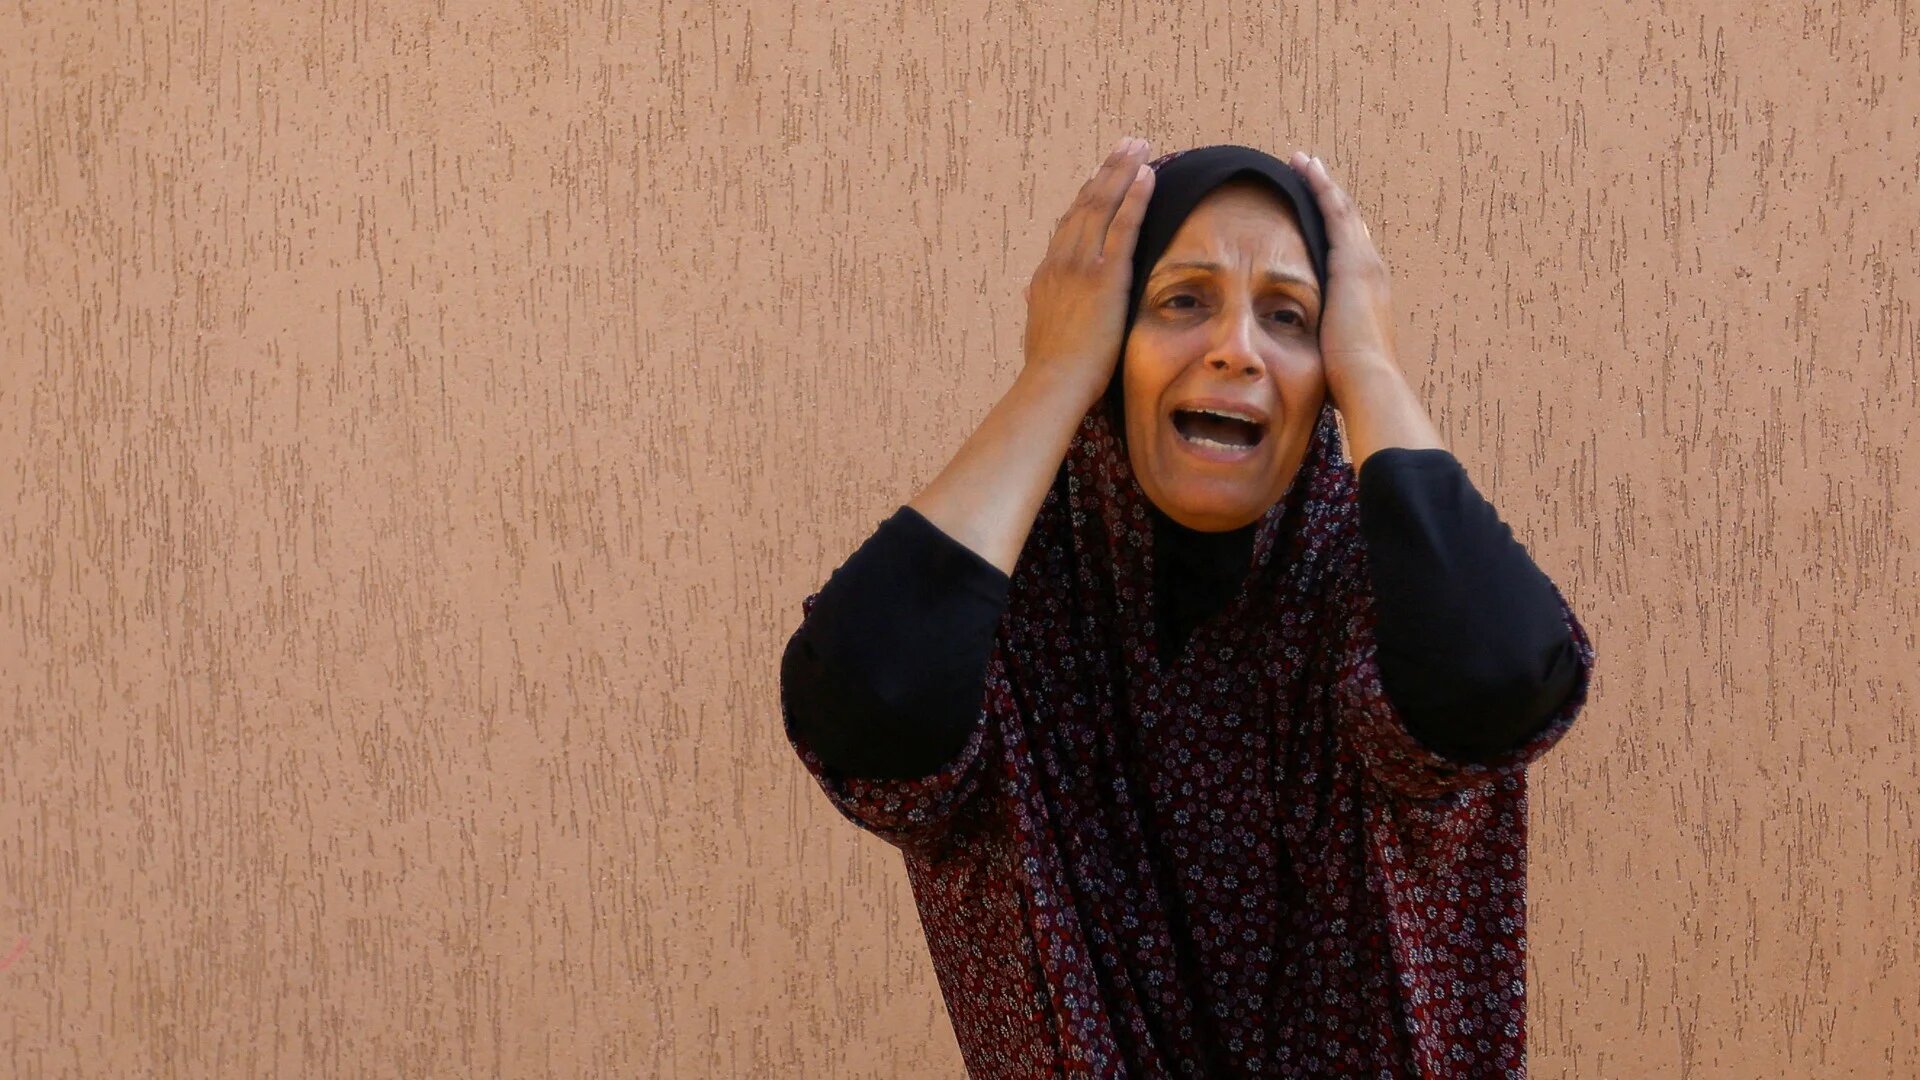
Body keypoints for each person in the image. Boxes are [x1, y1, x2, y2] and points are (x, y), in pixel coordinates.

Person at [778, 140, 1596, 1078]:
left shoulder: (1376, 587)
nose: (1235, 350)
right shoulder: (1013, 599)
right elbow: (863, 705)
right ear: (1106, 338)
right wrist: (1052, 376)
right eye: (1182, 301)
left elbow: (1502, 681)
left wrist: (1372, 366)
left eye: (1289, 318)